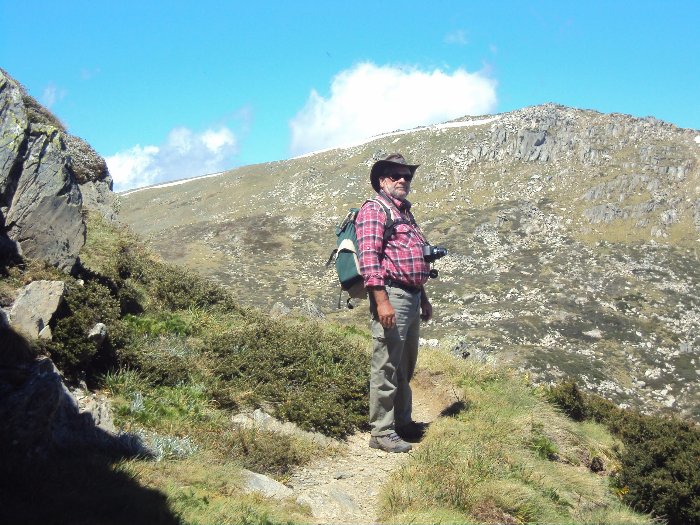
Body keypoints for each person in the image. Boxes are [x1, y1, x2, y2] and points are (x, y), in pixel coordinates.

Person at [356, 153, 433, 453]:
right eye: (395, 175)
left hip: (411, 296)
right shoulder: (374, 209)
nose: (402, 180)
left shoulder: (404, 213)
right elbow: (369, 258)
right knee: (386, 364)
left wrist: (423, 297)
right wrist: (382, 302)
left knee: (405, 365)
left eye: (407, 176)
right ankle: (381, 431)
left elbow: (412, 257)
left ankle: (402, 422)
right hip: (391, 296)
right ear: (381, 180)